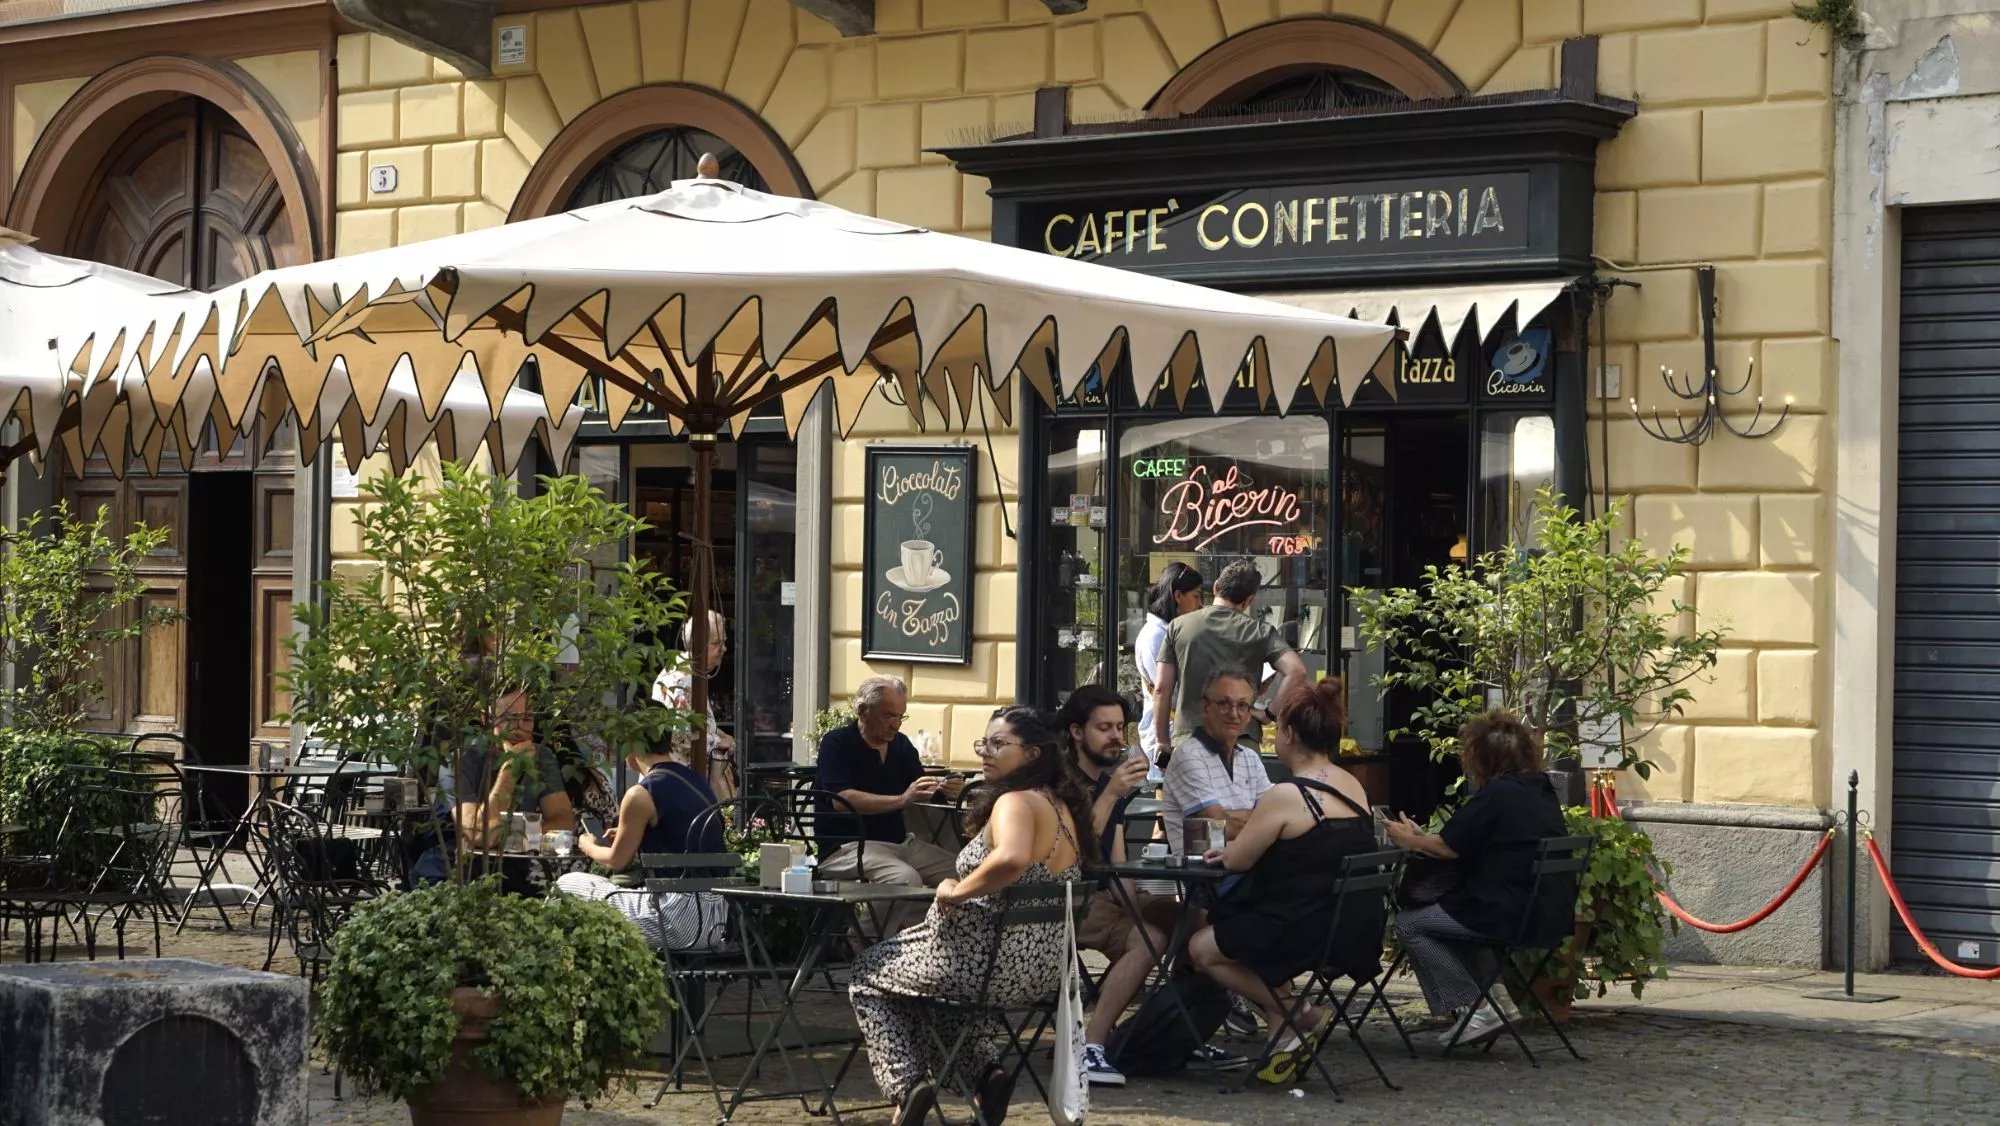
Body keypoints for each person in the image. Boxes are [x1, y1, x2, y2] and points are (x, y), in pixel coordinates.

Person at [849, 707, 1093, 1126]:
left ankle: (907, 1086)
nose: (986, 752)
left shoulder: (1016, 801)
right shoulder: (1062, 807)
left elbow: (1012, 858)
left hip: (980, 964)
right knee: (934, 996)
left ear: (1033, 754)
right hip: (1040, 971)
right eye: (985, 743)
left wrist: (955, 890)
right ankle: (987, 1075)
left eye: (999, 744)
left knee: (868, 972)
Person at [1188, 678, 1383, 1085]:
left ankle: (1299, 1013)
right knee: (1256, 922)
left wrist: (1226, 852)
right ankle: (1284, 1033)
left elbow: (1239, 861)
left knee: (1201, 946)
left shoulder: (1287, 794)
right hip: (1352, 925)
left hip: (1302, 930)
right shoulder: (1353, 786)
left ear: (1290, 734)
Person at [1059, 685, 1244, 1085]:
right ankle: (1090, 1045)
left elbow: (1118, 859)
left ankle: (1180, 1032)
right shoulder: (1061, 782)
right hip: (1064, 895)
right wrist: (1109, 794)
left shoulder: (1114, 783)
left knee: (1195, 922)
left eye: (1119, 728)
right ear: (1076, 732)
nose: (1114, 737)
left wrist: (1137, 898)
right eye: (1103, 728)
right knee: (1150, 940)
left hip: (1105, 893)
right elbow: (1070, 850)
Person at [1384, 711, 1569, 1049]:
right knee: (1452, 920)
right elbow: (1467, 842)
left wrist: (1411, 841)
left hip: (1503, 911)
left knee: (1411, 923)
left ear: (1481, 758)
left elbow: (1448, 846)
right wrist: (1424, 839)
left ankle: (1477, 1007)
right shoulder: (1539, 789)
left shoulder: (1498, 794)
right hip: (1544, 910)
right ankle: (1499, 1003)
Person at [556, 701, 728, 951]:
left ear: (631, 743)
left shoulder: (641, 793)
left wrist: (587, 844)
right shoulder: (696, 781)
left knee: (567, 885)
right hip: (717, 921)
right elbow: (678, 832)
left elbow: (617, 861)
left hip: (677, 921)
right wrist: (634, 833)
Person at [813, 676, 959, 889]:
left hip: (900, 845)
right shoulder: (836, 742)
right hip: (846, 848)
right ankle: (863, 925)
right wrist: (902, 799)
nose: (897, 725)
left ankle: (918, 922)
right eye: (889, 716)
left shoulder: (901, 745)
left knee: (967, 872)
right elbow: (841, 800)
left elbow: (922, 789)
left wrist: (949, 790)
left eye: (901, 717)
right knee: (905, 879)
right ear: (863, 711)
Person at [1152, 559, 1309, 752]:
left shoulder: (1179, 626)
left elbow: (1161, 689)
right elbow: (1297, 671)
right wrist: (1269, 714)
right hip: (1241, 738)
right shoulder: (1261, 632)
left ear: (1216, 587)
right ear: (1249, 599)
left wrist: (1162, 741)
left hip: (1190, 738)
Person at [452, 690, 578, 895]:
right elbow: (479, 835)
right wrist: (512, 766)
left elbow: (563, 822)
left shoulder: (541, 756)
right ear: (487, 719)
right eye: (510, 718)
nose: (519, 728)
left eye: (527, 719)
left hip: (516, 874)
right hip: (456, 874)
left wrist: (512, 837)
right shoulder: (464, 759)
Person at [1161, 667, 1272, 855]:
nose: (1234, 714)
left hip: (1247, 865)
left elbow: (1273, 814)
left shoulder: (1249, 757)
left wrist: (1230, 820)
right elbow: (1221, 831)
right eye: (1224, 704)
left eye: (1243, 705)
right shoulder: (1188, 755)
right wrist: (1257, 820)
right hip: (1208, 876)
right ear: (1205, 708)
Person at [653, 609, 737, 801]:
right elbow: (678, 732)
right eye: (717, 643)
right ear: (698, 646)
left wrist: (722, 735)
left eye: (723, 641)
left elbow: (696, 724)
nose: (724, 648)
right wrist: (718, 741)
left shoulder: (690, 674)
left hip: (683, 783)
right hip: (678, 788)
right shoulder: (682, 679)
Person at [1134, 563, 1204, 764]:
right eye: (1196, 596)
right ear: (1178, 596)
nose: (1200, 604)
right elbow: (1165, 691)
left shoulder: (1171, 630)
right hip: (1168, 733)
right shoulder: (1156, 636)